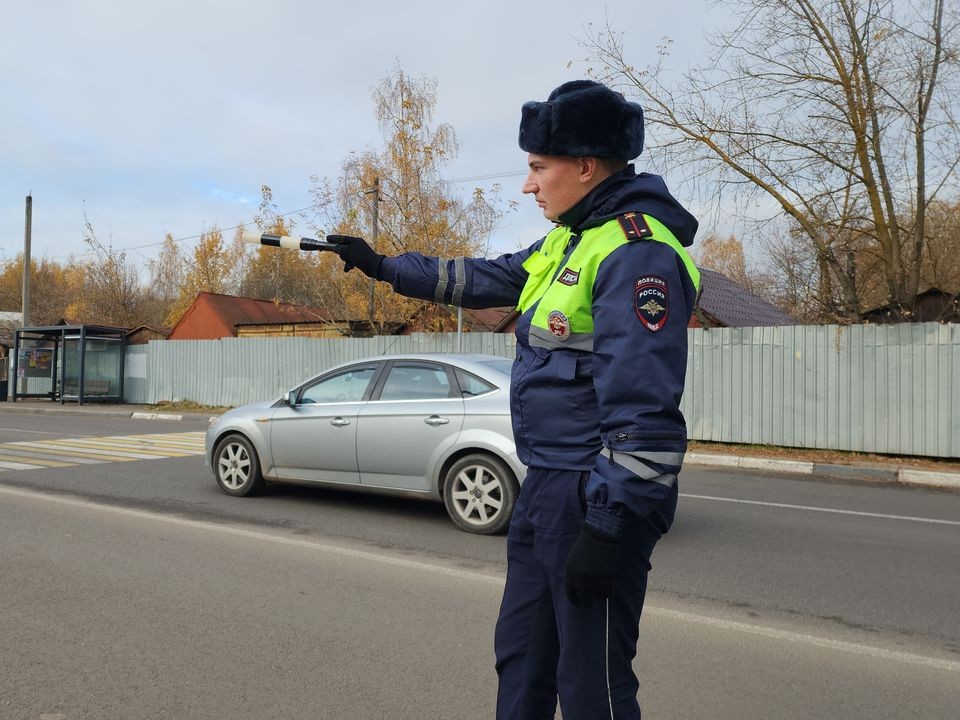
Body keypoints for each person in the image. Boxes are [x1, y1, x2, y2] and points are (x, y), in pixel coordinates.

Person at [331, 79, 700, 720]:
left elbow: (644, 413)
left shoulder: (636, 252)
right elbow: (482, 278)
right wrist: (383, 266)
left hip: (593, 494)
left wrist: (608, 525)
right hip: (547, 484)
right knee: (523, 656)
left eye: (537, 167)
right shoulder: (570, 238)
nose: (528, 185)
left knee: (594, 683)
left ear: (585, 166)